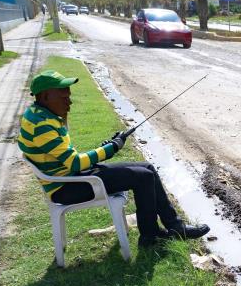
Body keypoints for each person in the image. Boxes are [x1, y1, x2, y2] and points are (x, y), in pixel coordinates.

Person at [18, 70, 209, 248]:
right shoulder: (41, 125)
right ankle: (149, 236)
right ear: (45, 96)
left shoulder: (40, 114)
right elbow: (75, 162)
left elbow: (66, 157)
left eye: (68, 95)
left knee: (148, 168)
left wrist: (105, 147)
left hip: (71, 177)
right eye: (63, 97)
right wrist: (111, 148)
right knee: (143, 177)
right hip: (66, 187)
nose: (69, 101)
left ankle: (175, 226)